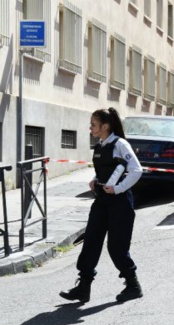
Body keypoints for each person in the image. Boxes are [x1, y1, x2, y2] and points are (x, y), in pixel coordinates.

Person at [60, 107, 144, 303]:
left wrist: (119, 188)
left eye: (93, 124)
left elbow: (136, 170)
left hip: (120, 202)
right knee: (91, 241)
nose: (90, 127)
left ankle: (133, 285)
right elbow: (107, 169)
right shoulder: (100, 145)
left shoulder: (120, 143)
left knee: (116, 247)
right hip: (101, 201)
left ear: (105, 126)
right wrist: (95, 178)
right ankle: (83, 288)